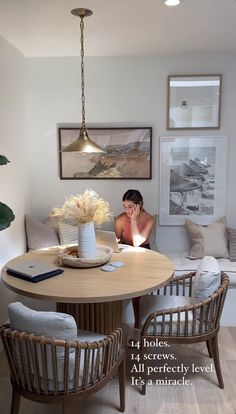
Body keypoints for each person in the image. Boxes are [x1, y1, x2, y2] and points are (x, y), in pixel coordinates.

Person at [115, 189, 154, 329]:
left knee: (137, 286)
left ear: (140, 205)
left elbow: (137, 242)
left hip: (143, 255)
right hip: (126, 254)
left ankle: (137, 325)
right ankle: (113, 324)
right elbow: (117, 243)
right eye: (125, 207)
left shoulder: (149, 219)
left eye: (131, 207)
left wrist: (133, 220)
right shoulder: (119, 219)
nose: (127, 210)